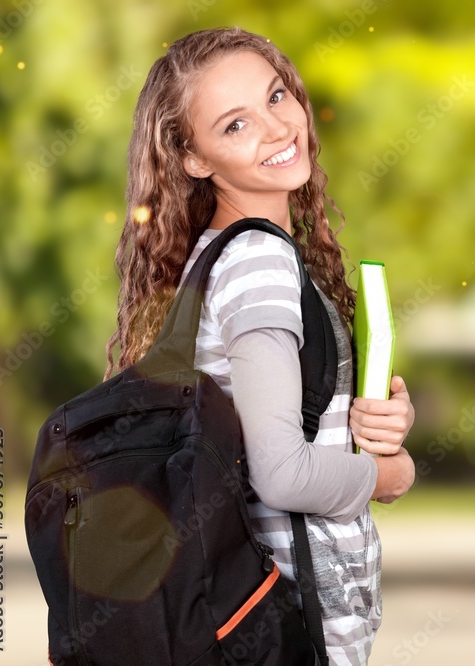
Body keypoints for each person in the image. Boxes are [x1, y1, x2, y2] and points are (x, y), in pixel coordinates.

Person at [103, 26, 416, 665]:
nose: (277, 129)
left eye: (276, 97)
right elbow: (283, 473)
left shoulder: (213, 259)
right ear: (194, 159)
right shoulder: (257, 264)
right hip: (286, 621)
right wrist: (392, 474)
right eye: (235, 125)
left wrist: (365, 422)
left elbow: (265, 435)